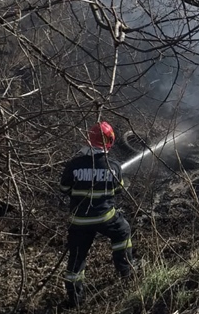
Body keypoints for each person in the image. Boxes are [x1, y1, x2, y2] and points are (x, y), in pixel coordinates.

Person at [59, 121, 137, 308]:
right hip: (104, 217)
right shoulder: (113, 166)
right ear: (110, 141)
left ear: (89, 138)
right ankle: (126, 271)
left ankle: (75, 299)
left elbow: (64, 188)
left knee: (77, 256)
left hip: (79, 220)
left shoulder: (74, 165)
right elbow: (118, 190)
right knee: (123, 231)